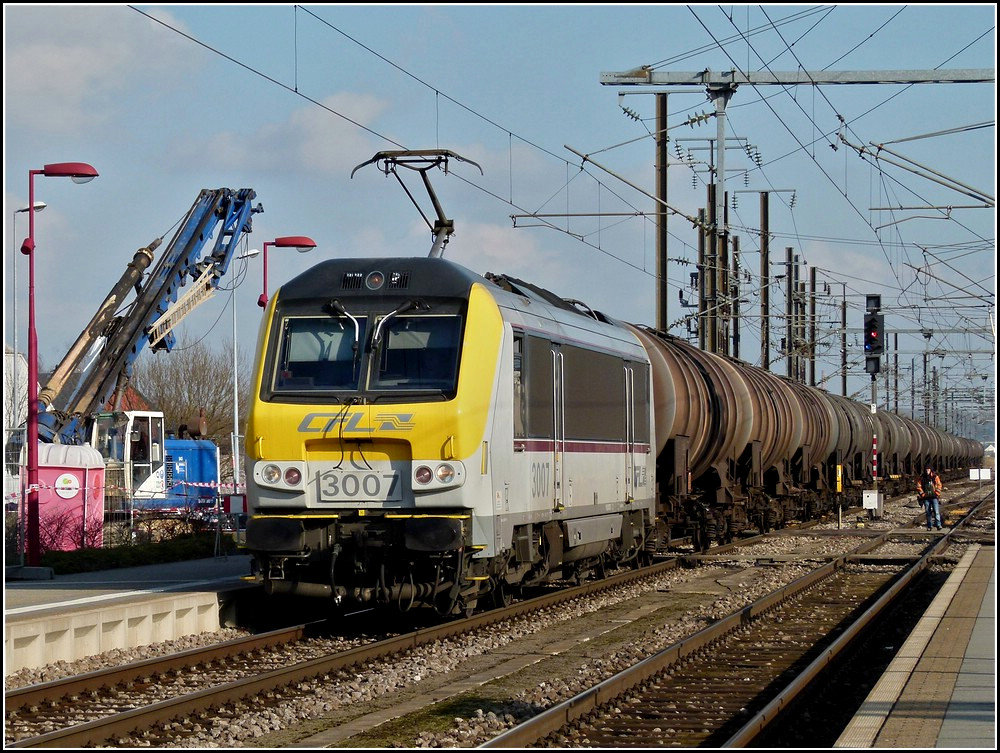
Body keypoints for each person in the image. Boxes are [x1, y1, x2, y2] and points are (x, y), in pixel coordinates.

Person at [916, 466, 944, 530]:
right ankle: (929, 526)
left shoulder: (935, 477)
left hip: (934, 497)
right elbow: (918, 486)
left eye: (928, 469)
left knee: (936, 512)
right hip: (926, 498)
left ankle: (938, 525)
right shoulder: (922, 478)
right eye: (926, 469)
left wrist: (936, 493)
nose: (927, 471)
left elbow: (939, 485)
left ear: (930, 470)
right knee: (928, 512)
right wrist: (923, 494)